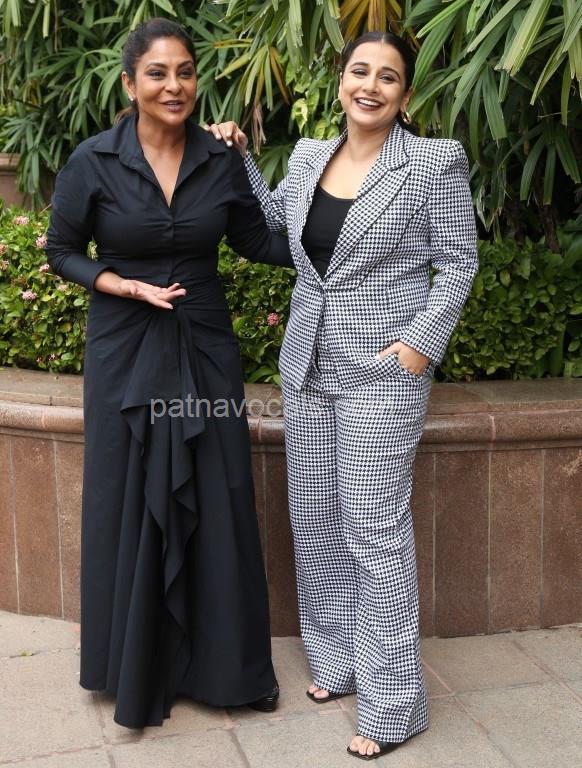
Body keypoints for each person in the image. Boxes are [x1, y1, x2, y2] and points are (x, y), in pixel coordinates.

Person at [207, 31, 478, 760]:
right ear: (340, 82)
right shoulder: (307, 156)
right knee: (318, 519)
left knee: (374, 529)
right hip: (307, 365)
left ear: (405, 94)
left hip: (382, 373)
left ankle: (394, 704)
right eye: (360, 71)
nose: (371, 85)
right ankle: (337, 661)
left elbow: (458, 262)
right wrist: (239, 156)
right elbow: (273, 223)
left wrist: (419, 346)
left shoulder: (432, 163)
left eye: (388, 77)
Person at [45, 18, 292, 729]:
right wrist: (120, 284)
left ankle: (224, 669)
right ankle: (134, 665)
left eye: (184, 71)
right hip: (124, 348)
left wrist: (348, 223)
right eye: (157, 73)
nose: (174, 85)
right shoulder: (93, 160)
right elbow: (61, 250)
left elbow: (259, 239)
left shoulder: (219, 157)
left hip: (203, 346)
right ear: (130, 83)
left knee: (217, 489)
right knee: (126, 495)